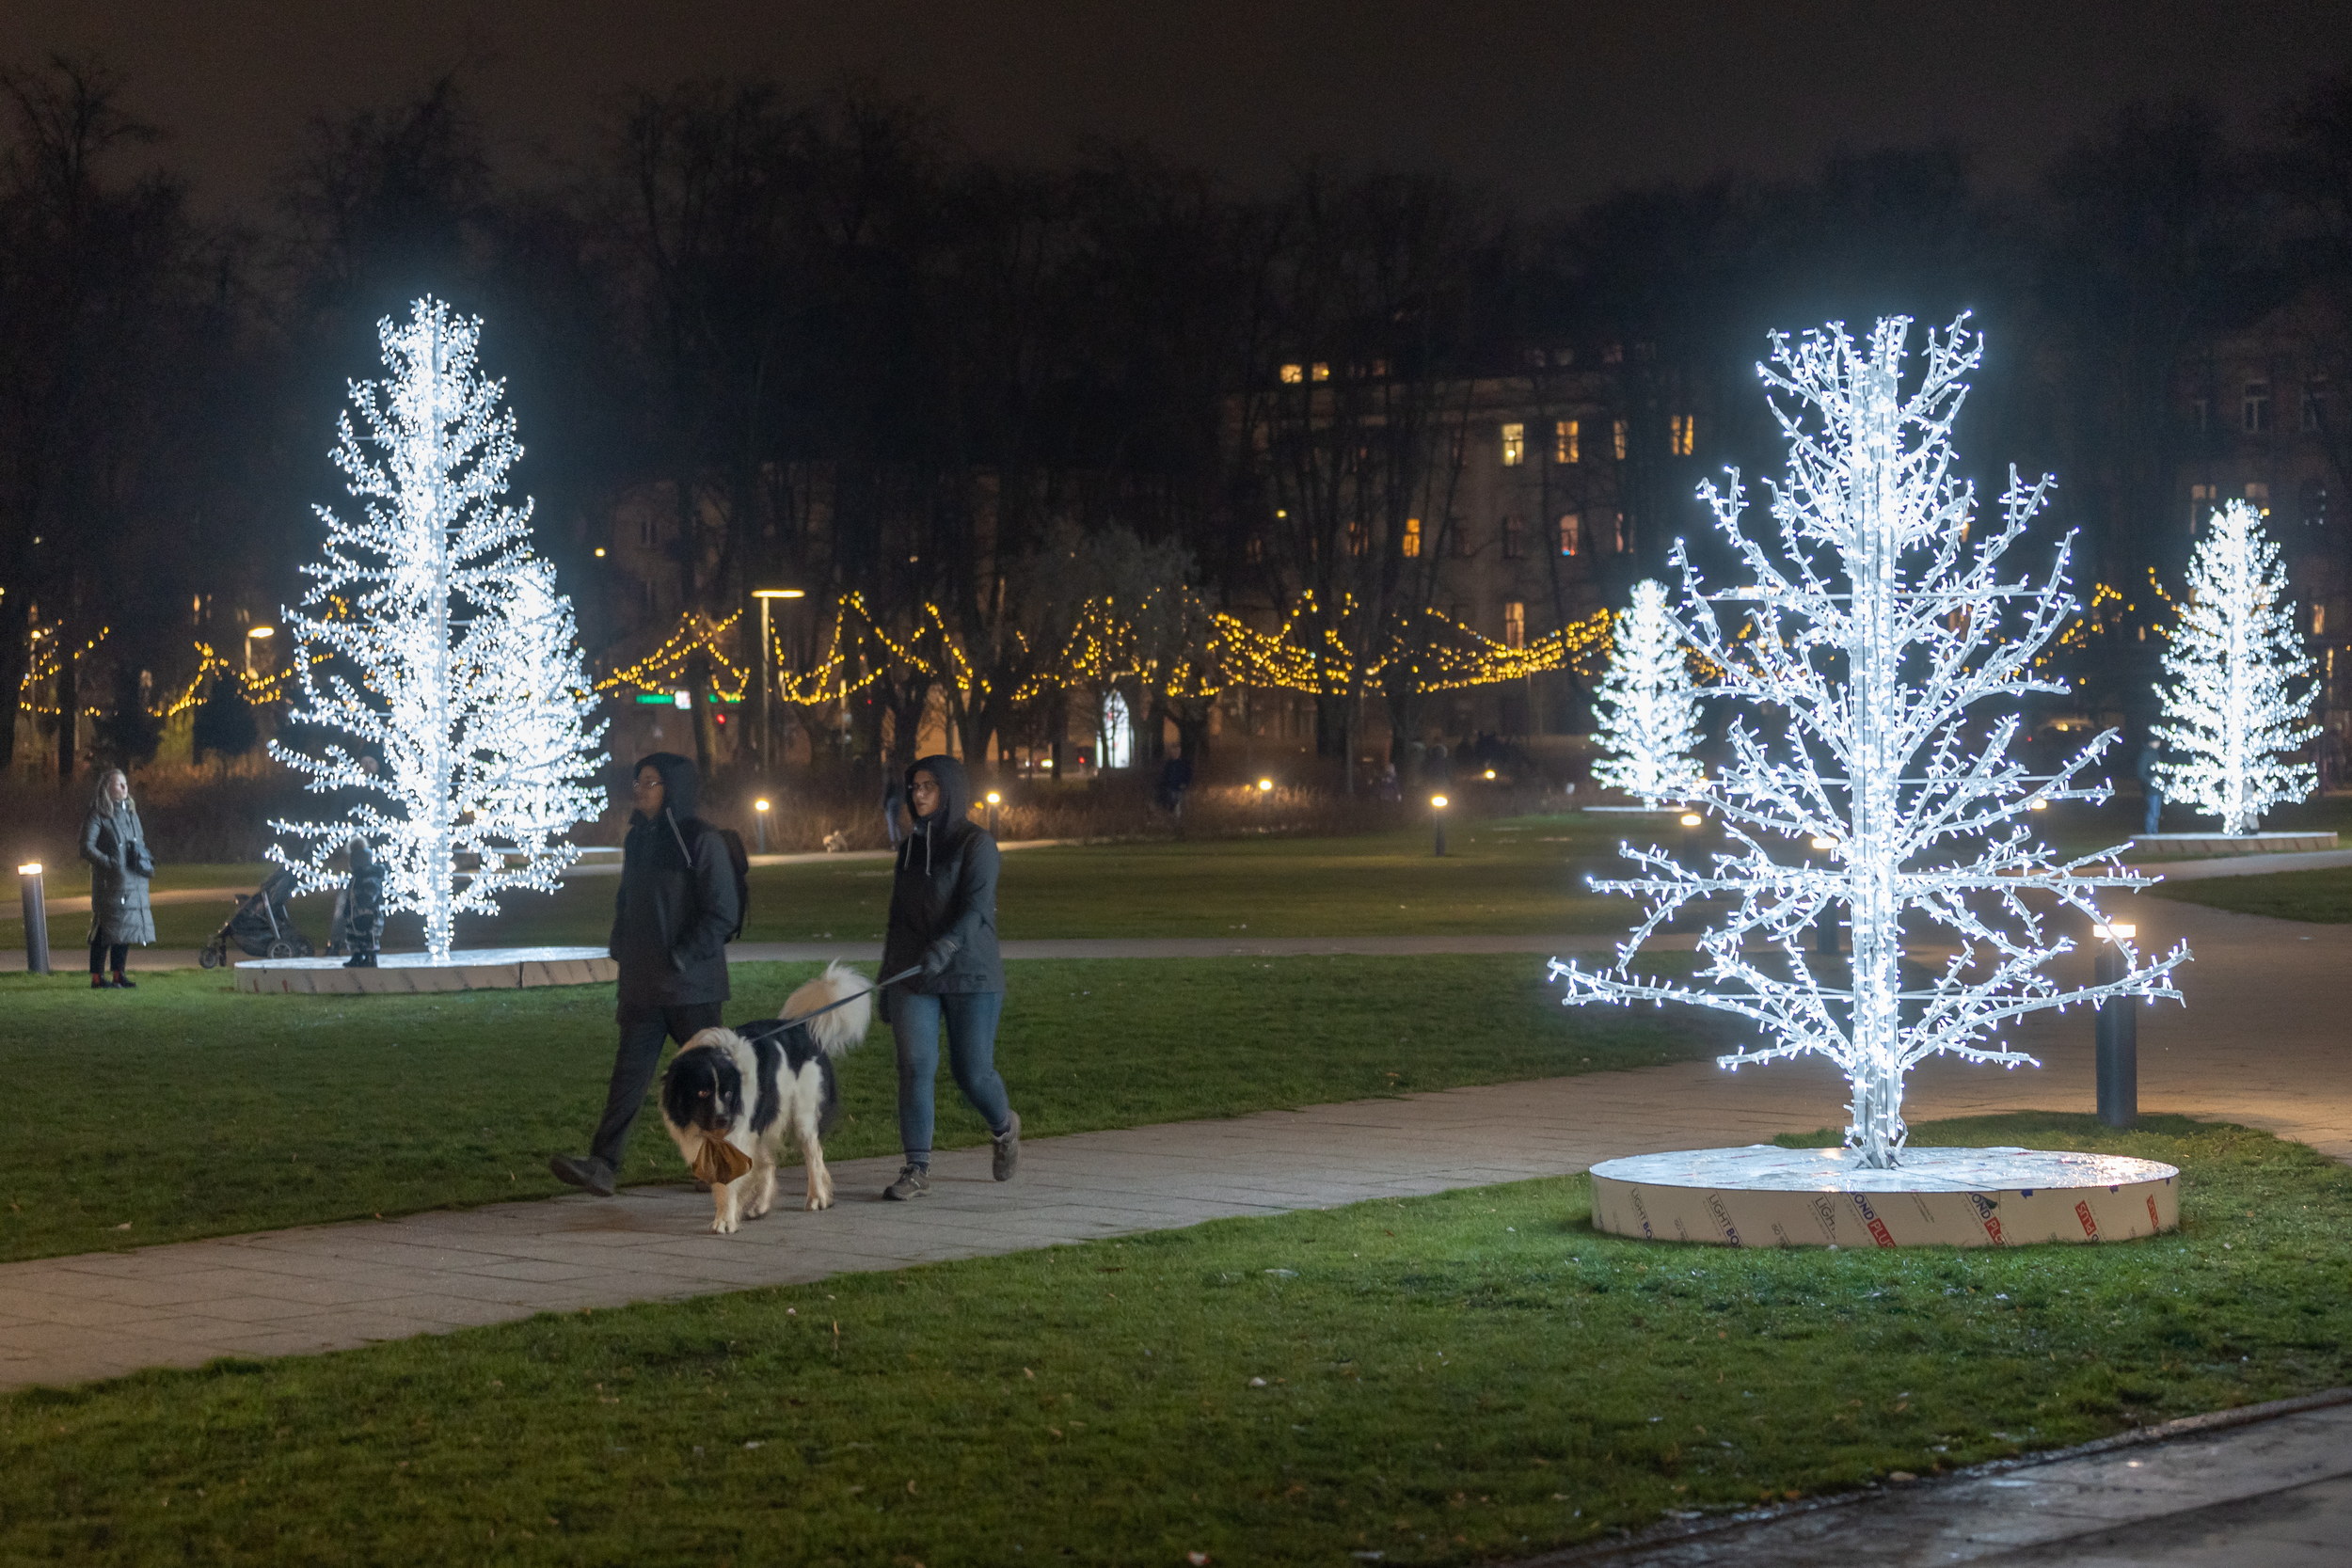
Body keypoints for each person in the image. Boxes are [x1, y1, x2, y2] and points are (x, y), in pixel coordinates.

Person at [549, 752, 739, 1196]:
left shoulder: (700, 839)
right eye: (638, 781)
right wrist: (620, 940)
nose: (640, 789)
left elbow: (722, 911)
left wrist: (683, 956)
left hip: (690, 988)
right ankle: (603, 1164)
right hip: (642, 987)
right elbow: (627, 899)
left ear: (671, 787)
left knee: (711, 1079)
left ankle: (722, 1161)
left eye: (650, 782)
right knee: (628, 1078)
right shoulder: (638, 839)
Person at [877, 753, 1020, 1200]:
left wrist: (947, 946)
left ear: (950, 792)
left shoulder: (976, 844)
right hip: (914, 974)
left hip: (970, 973)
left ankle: (1004, 1127)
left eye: (929, 787)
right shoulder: (909, 848)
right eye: (915, 786)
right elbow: (898, 918)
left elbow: (976, 908)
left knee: (972, 1072)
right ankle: (916, 1168)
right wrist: (888, 973)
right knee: (915, 1066)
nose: (918, 795)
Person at [79, 768, 154, 990]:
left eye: (125, 784)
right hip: (110, 883)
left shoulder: (131, 814)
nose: (124, 788)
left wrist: (143, 860)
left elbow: (138, 842)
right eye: (119, 784)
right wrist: (109, 862)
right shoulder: (98, 815)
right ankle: (97, 977)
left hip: (133, 879)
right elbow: (86, 847)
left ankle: (119, 974)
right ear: (107, 788)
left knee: (127, 928)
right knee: (105, 931)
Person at [341, 837, 385, 968]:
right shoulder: (357, 877)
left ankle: (370, 957)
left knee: (368, 934)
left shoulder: (368, 875)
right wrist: (348, 908)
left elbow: (371, 892)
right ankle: (357, 955)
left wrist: (364, 902)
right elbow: (351, 894)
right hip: (355, 913)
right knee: (354, 934)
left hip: (367, 913)